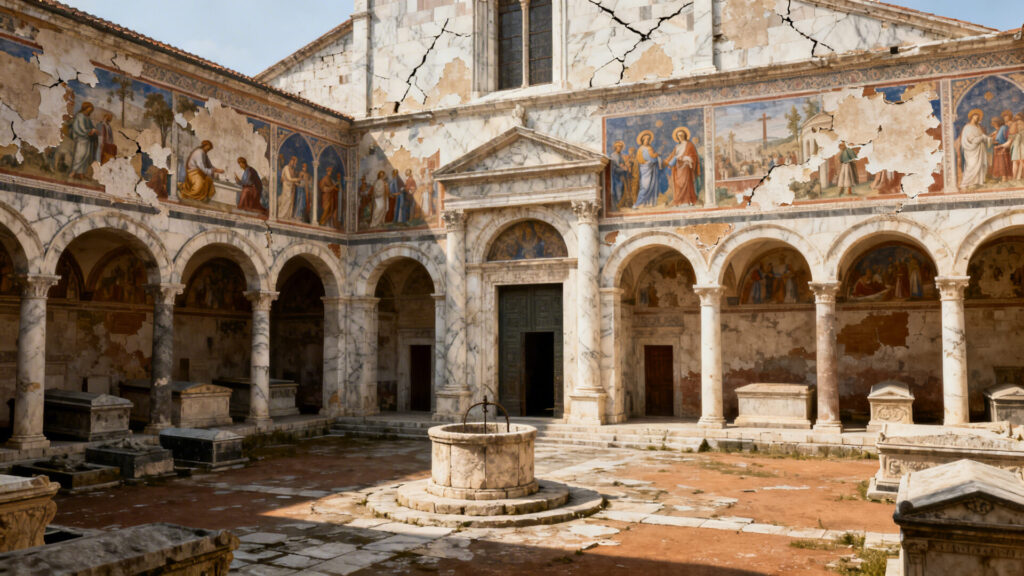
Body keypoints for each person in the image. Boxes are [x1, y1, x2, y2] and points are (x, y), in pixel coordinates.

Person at [666, 127, 698, 206]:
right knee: (678, 184)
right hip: (677, 168)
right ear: (677, 137)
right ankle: (679, 201)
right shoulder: (677, 147)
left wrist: (685, 158)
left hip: (685, 166)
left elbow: (694, 156)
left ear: (685, 135)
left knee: (685, 183)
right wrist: (667, 162)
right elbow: (672, 156)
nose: (680, 137)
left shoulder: (689, 145)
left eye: (682, 135)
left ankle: (688, 200)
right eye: (679, 135)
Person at [959, 110, 991, 189]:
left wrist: (987, 138)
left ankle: (977, 182)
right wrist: (982, 138)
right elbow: (972, 140)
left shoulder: (978, 127)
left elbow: (982, 136)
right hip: (972, 150)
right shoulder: (968, 127)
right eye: (975, 116)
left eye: (978, 116)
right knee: (972, 166)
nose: (977, 118)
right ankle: (965, 184)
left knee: (980, 166)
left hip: (980, 149)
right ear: (971, 117)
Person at [632, 131, 661, 208]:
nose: (647, 141)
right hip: (644, 168)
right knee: (645, 186)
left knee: (651, 184)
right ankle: (638, 203)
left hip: (651, 168)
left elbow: (653, 157)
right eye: (645, 139)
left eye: (648, 139)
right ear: (642, 140)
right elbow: (639, 159)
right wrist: (648, 162)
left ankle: (647, 203)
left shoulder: (650, 148)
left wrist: (656, 157)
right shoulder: (640, 149)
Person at [69, 101, 97, 179]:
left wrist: (94, 130)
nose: (90, 111)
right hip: (81, 139)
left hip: (87, 140)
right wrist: (90, 131)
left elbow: (91, 126)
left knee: (86, 156)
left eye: (91, 110)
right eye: (89, 109)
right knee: (80, 156)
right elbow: (81, 128)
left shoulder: (87, 117)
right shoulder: (80, 116)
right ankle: (73, 172)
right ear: (85, 108)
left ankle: (81, 173)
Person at [990, 115, 1013, 183]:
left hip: (1002, 148)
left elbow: (1000, 139)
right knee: (1000, 163)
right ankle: (1002, 177)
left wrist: (992, 141)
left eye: (994, 124)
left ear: (997, 122)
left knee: (1003, 163)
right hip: (999, 148)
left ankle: (1005, 178)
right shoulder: (999, 129)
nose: (994, 125)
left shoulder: (1003, 128)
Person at [609, 140, 627, 209]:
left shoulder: (621, 155)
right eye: (619, 146)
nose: (620, 148)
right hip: (615, 177)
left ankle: (619, 205)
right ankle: (616, 206)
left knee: (622, 190)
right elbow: (614, 168)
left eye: (621, 147)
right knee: (617, 191)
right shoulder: (613, 156)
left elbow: (622, 164)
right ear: (615, 147)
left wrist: (624, 167)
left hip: (621, 177)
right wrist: (622, 169)